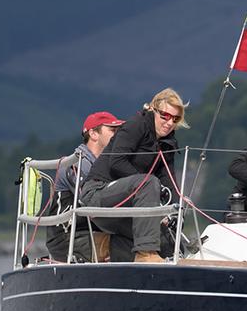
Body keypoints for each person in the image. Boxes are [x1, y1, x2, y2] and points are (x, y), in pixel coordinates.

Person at [80, 88, 189, 263]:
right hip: (98, 193)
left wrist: (176, 211)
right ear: (153, 110)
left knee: (168, 242)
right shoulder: (135, 125)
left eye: (175, 119)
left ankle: (122, 262)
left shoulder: (168, 142)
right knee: (147, 182)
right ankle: (145, 253)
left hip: (128, 206)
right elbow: (117, 162)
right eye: (165, 116)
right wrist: (151, 187)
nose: (169, 123)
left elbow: (168, 180)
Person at [45, 111, 129, 262]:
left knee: (137, 241)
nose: (118, 135)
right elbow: (90, 202)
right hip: (68, 237)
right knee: (128, 247)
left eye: (119, 131)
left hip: (92, 232)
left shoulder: (108, 164)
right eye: (112, 130)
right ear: (93, 134)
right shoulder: (76, 164)